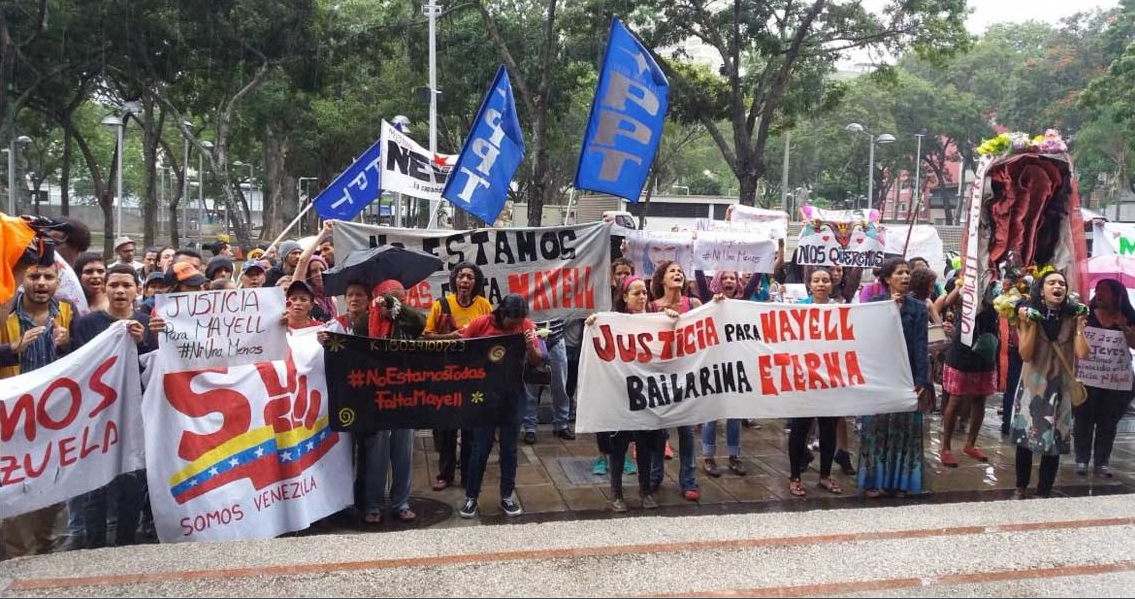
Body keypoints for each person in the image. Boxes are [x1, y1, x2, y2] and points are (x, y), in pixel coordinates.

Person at [70, 264, 156, 548]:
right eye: (114, 285)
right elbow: (78, 369)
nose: (120, 291)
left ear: (137, 290)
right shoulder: (86, 324)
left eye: (127, 285)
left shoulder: (148, 322)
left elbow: (155, 368)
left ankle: (126, 546)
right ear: (104, 288)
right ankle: (94, 548)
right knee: (96, 488)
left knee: (132, 484)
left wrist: (142, 342)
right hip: (97, 419)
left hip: (137, 417)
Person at [0, 262, 75, 557]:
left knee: (52, 494)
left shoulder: (68, 313)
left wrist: (67, 344)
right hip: (13, 423)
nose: (41, 283)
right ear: (22, 281)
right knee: (13, 493)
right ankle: (15, 563)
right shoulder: (4, 314)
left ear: (58, 281)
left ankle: (45, 558)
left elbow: (85, 356)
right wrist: (12, 349)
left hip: (54, 423)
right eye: (34, 276)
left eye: (48, 277)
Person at [585, 276, 672, 511]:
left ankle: (645, 491)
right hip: (620, 395)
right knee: (618, 445)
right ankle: (616, 494)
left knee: (644, 445)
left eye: (644, 292)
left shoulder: (656, 320)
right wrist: (593, 323)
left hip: (645, 394)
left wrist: (672, 320)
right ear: (624, 297)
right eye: (636, 293)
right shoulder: (613, 322)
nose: (642, 297)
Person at [459, 294, 545, 518]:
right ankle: (471, 498)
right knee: (480, 448)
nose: (516, 325)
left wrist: (529, 345)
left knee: (509, 448)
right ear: (501, 313)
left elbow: (537, 360)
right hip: (485, 395)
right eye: (512, 322)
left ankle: (507, 496)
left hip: (513, 394)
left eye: (519, 321)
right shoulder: (481, 324)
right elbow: (462, 354)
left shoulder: (526, 326)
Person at [1011, 271, 1089, 498]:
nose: (1058, 286)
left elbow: (1082, 353)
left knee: (1054, 441)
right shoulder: (1027, 315)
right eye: (1052, 283)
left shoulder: (1071, 316)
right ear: (1041, 289)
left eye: (1062, 284)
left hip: (1060, 387)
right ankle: (1021, 487)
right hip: (1032, 386)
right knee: (1025, 440)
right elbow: (1025, 354)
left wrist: (1079, 326)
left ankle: (1044, 490)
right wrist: (1033, 324)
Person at [858, 258, 928, 498]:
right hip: (879, 376)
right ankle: (873, 480)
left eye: (908, 272)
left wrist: (922, 380)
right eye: (900, 273)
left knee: (903, 429)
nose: (906, 277)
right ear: (888, 278)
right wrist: (889, 310)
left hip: (906, 377)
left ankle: (900, 481)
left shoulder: (918, 308)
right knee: (876, 428)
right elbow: (867, 340)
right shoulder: (874, 305)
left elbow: (921, 346)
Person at [422, 262, 493, 491]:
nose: (465, 281)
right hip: (446, 375)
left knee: (470, 428)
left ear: (476, 282)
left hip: (474, 376)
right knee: (446, 427)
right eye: (461, 276)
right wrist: (450, 337)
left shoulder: (484, 306)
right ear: (454, 280)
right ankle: (445, 474)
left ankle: (468, 475)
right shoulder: (440, 305)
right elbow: (426, 337)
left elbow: (492, 335)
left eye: (470, 277)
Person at [359, 289, 426, 524]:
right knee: (376, 453)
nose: (395, 302)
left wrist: (397, 309)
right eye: (388, 297)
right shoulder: (364, 322)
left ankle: (401, 502)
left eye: (399, 298)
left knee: (403, 451)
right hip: (375, 398)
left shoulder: (405, 323)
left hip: (404, 397)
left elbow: (420, 323)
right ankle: (374, 504)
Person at [648, 260, 702, 501]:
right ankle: (654, 476)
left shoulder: (694, 304)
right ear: (662, 279)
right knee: (659, 430)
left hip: (687, 374)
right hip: (660, 375)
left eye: (680, 271)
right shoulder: (650, 308)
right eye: (673, 271)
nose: (678, 274)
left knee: (687, 431)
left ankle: (689, 480)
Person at [787, 268, 843, 497]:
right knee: (800, 429)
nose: (821, 284)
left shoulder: (840, 309)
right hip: (805, 378)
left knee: (828, 429)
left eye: (825, 280)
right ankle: (794, 477)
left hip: (829, 377)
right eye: (817, 280)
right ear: (809, 284)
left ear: (832, 284)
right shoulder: (798, 308)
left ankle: (825, 475)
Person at [1074, 279, 1135, 477]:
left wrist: (1125, 328)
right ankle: (1081, 460)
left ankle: (1101, 462)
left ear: (1117, 296)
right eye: (1098, 290)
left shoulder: (1129, 317)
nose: (1099, 294)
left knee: (1108, 422)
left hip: (1116, 380)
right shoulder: (1085, 315)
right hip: (1087, 377)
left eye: (1105, 291)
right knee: (1084, 419)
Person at [593, 257, 637, 477]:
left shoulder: (637, 299)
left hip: (629, 364)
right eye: (618, 273)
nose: (622, 277)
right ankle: (602, 455)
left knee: (627, 409)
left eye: (626, 273)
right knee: (604, 409)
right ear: (612, 277)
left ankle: (626, 454)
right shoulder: (603, 298)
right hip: (605, 362)